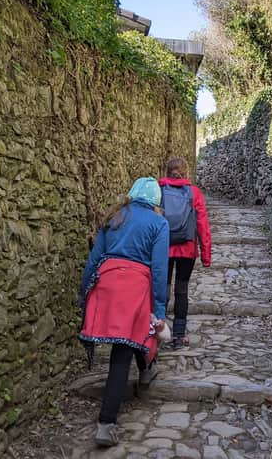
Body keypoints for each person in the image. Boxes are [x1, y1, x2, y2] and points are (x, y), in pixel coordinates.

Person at [77, 177, 170, 447]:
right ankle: (106, 423)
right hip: (135, 289)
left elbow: (95, 258)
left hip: (106, 284)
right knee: (122, 352)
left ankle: (146, 371)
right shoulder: (159, 223)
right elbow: (160, 268)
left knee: (129, 338)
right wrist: (160, 307)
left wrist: (85, 294)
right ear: (156, 201)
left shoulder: (115, 217)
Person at [158, 158, 212, 350]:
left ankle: (158, 330)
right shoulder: (194, 193)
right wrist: (206, 254)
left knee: (161, 290)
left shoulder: (159, 190)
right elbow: (202, 225)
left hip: (162, 248)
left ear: (167, 172)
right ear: (186, 173)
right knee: (181, 290)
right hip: (187, 249)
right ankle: (179, 335)